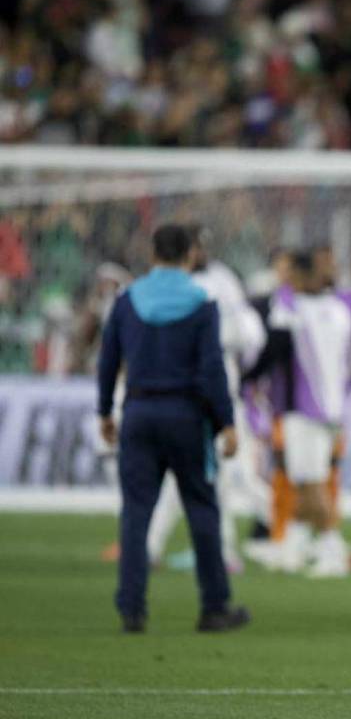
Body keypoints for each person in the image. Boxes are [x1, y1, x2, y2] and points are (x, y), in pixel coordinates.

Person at [96, 223, 249, 633]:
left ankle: (131, 608)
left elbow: (108, 359)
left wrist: (105, 412)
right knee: (202, 508)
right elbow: (212, 369)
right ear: (190, 255)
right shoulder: (201, 302)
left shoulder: (127, 301)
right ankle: (214, 607)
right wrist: (226, 423)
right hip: (186, 416)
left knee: (135, 512)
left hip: (139, 413)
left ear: (152, 254)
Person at [145, 224, 267, 574]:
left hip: (212, 390)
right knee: (190, 473)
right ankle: (165, 547)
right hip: (188, 389)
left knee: (220, 476)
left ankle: (220, 550)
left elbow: (248, 333)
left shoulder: (217, 281)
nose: (200, 252)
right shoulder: (194, 284)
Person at [251, 249, 351, 577]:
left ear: (302, 275)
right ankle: (294, 546)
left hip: (301, 408)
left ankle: (332, 548)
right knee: (306, 480)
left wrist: (249, 379)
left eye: (292, 275)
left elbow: (274, 350)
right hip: (334, 408)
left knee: (310, 483)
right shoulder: (340, 309)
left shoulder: (292, 308)